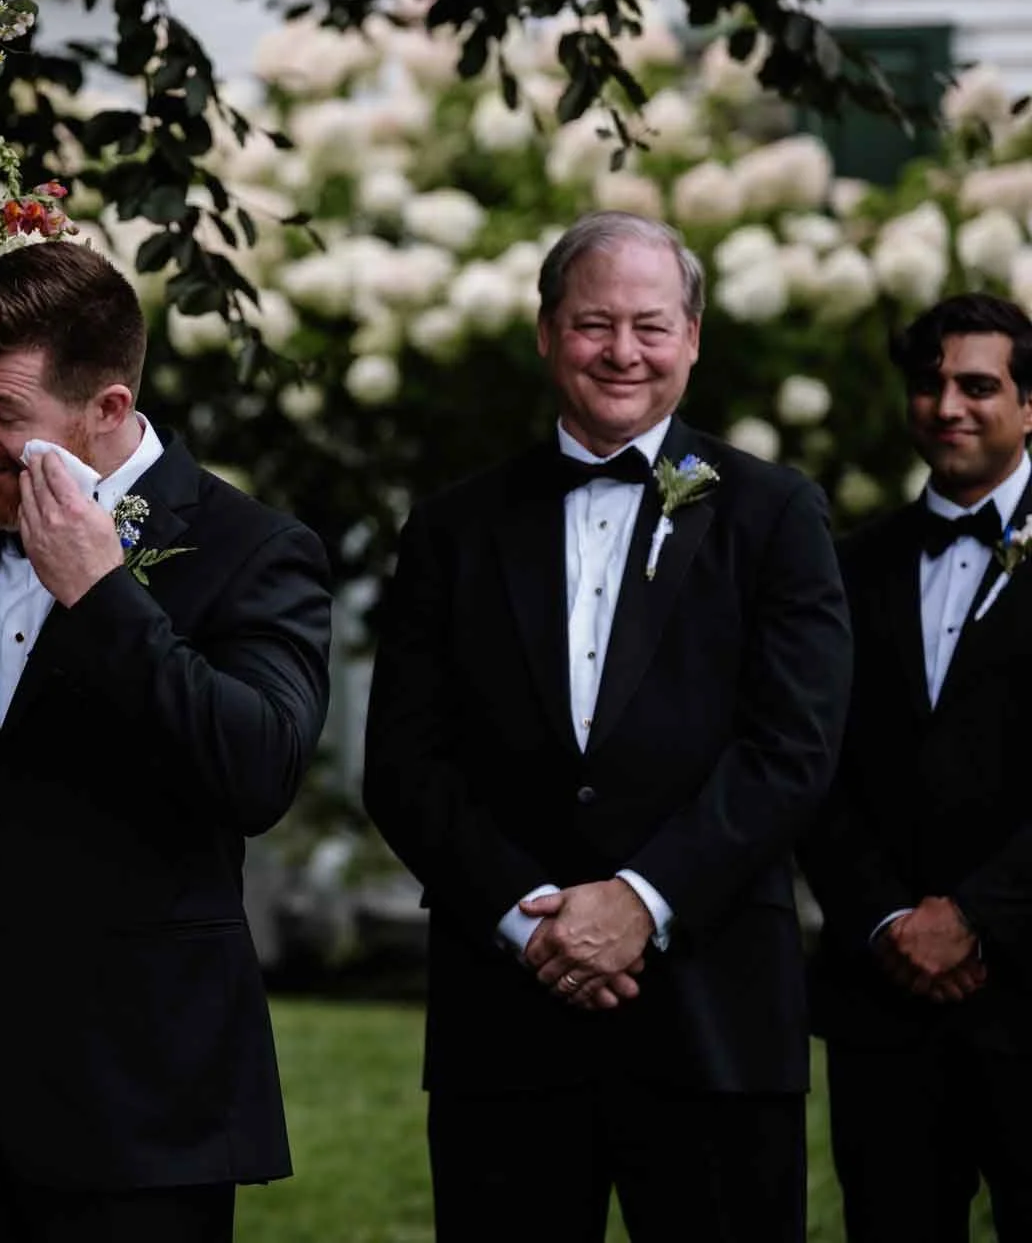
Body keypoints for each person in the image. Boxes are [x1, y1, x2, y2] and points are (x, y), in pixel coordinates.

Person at [363, 211, 852, 1242]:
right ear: (545, 333)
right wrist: (522, 916)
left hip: (713, 1014)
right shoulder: (452, 526)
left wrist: (640, 899)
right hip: (505, 1018)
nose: (620, 352)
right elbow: (405, 764)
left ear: (691, 338)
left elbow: (791, 749)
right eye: (592, 324)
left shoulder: (774, 513)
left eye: (648, 325)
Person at [0, 241, 333, 1243]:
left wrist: (103, 597)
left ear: (106, 409)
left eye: (5, 414)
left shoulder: (254, 551)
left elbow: (256, 771)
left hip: (138, 1107)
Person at [798, 292, 1032, 1242]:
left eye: (979, 386)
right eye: (930, 384)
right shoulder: (844, 566)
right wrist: (888, 918)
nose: (949, 407)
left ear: (1030, 406)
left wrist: (977, 916)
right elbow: (809, 757)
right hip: (883, 1005)